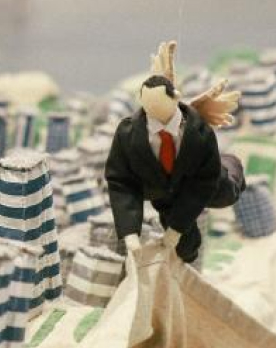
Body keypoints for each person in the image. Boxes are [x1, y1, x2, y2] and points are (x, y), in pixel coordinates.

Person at [105, 43, 245, 264]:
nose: (156, 120)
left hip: (202, 178)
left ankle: (231, 164)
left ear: (175, 98)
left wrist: (177, 227)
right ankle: (185, 262)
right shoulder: (128, 134)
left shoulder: (198, 132)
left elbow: (204, 181)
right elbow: (121, 181)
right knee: (184, 247)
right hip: (161, 190)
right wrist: (130, 232)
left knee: (227, 192)